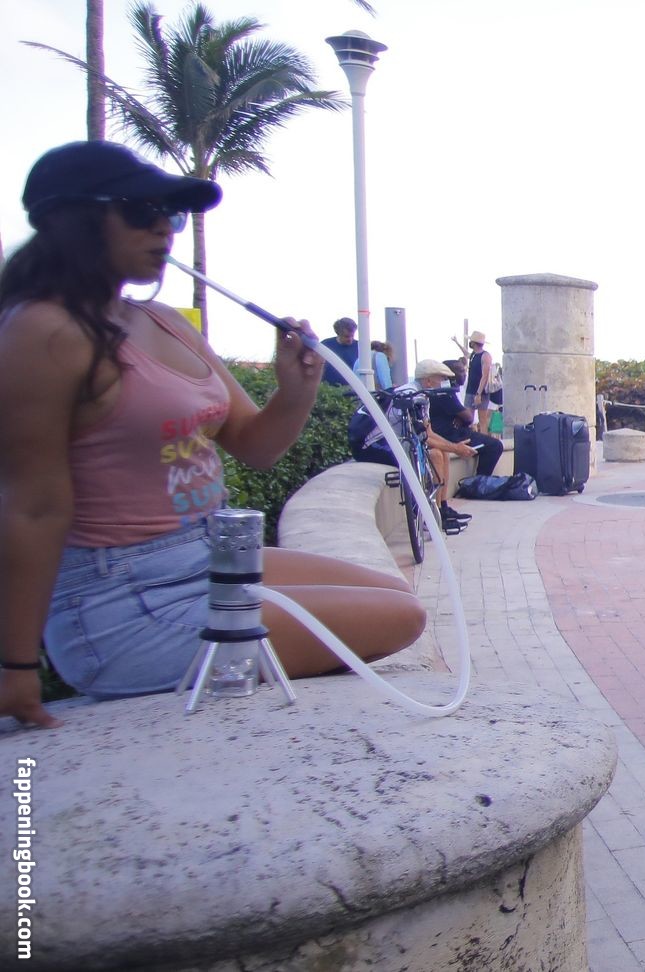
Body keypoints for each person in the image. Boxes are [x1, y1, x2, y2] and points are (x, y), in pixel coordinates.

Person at [0, 141, 428, 726]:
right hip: (126, 601)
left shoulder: (163, 322)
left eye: (170, 214)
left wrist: (297, 388)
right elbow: (31, 507)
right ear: (72, 220)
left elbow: (256, 444)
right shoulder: (43, 331)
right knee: (401, 619)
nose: (164, 229)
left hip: (213, 556)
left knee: (398, 598)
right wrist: (15, 665)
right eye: (141, 211)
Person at [351, 359, 480, 532]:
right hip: (373, 445)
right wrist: (456, 448)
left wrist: (452, 446)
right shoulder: (410, 396)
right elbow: (422, 437)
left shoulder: (423, 395)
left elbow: (428, 432)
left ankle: (441, 508)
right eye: (442, 378)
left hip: (394, 440)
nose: (445, 383)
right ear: (428, 381)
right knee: (434, 455)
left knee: (442, 452)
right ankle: (428, 516)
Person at [464, 331, 500, 438]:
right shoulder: (474, 355)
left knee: (482, 419)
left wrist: (478, 393)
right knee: (468, 419)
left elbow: (485, 376)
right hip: (470, 390)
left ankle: (484, 441)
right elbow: (466, 354)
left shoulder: (485, 356)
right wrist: (457, 342)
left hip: (481, 392)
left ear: (473, 342)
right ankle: (472, 439)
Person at [319, 317, 359, 386]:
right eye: (346, 336)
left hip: (353, 388)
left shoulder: (359, 346)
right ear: (338, 333)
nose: (350, 339)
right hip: (329, 389)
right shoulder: (325, 345)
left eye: (352, 336)